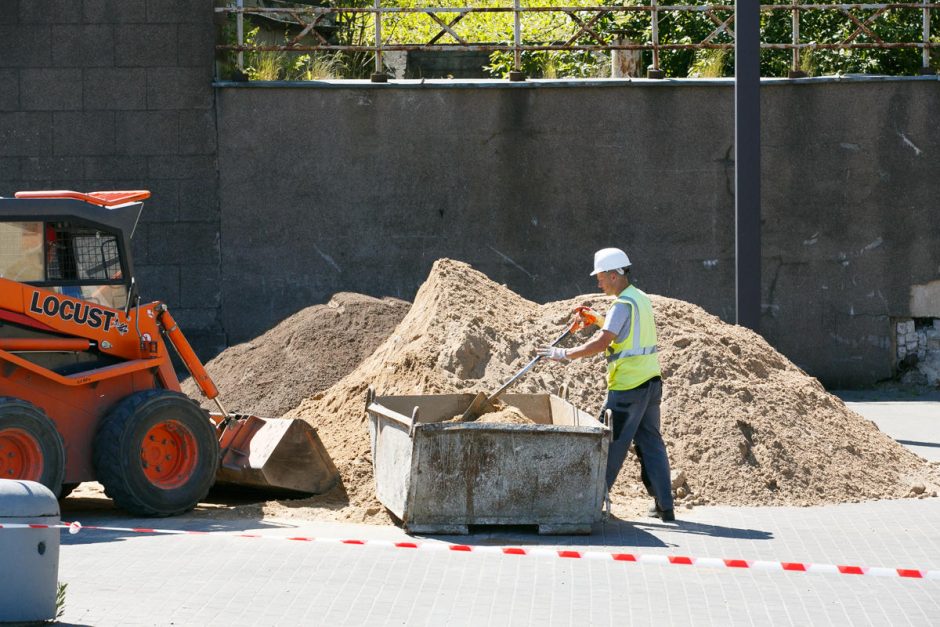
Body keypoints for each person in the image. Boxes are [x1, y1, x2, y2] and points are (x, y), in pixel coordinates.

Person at [538, 247, 675, 521]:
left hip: (628, 388)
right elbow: (624, 331)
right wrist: (597, 319)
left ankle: (590, 505)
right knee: (651, 442)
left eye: (601, 277)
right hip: (651, 382)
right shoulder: (640, 299)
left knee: (609, 445)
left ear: (614, 275)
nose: (598, 282)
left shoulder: (622, 305)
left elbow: (603, 341)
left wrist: (565, 354)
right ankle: (665, 505)